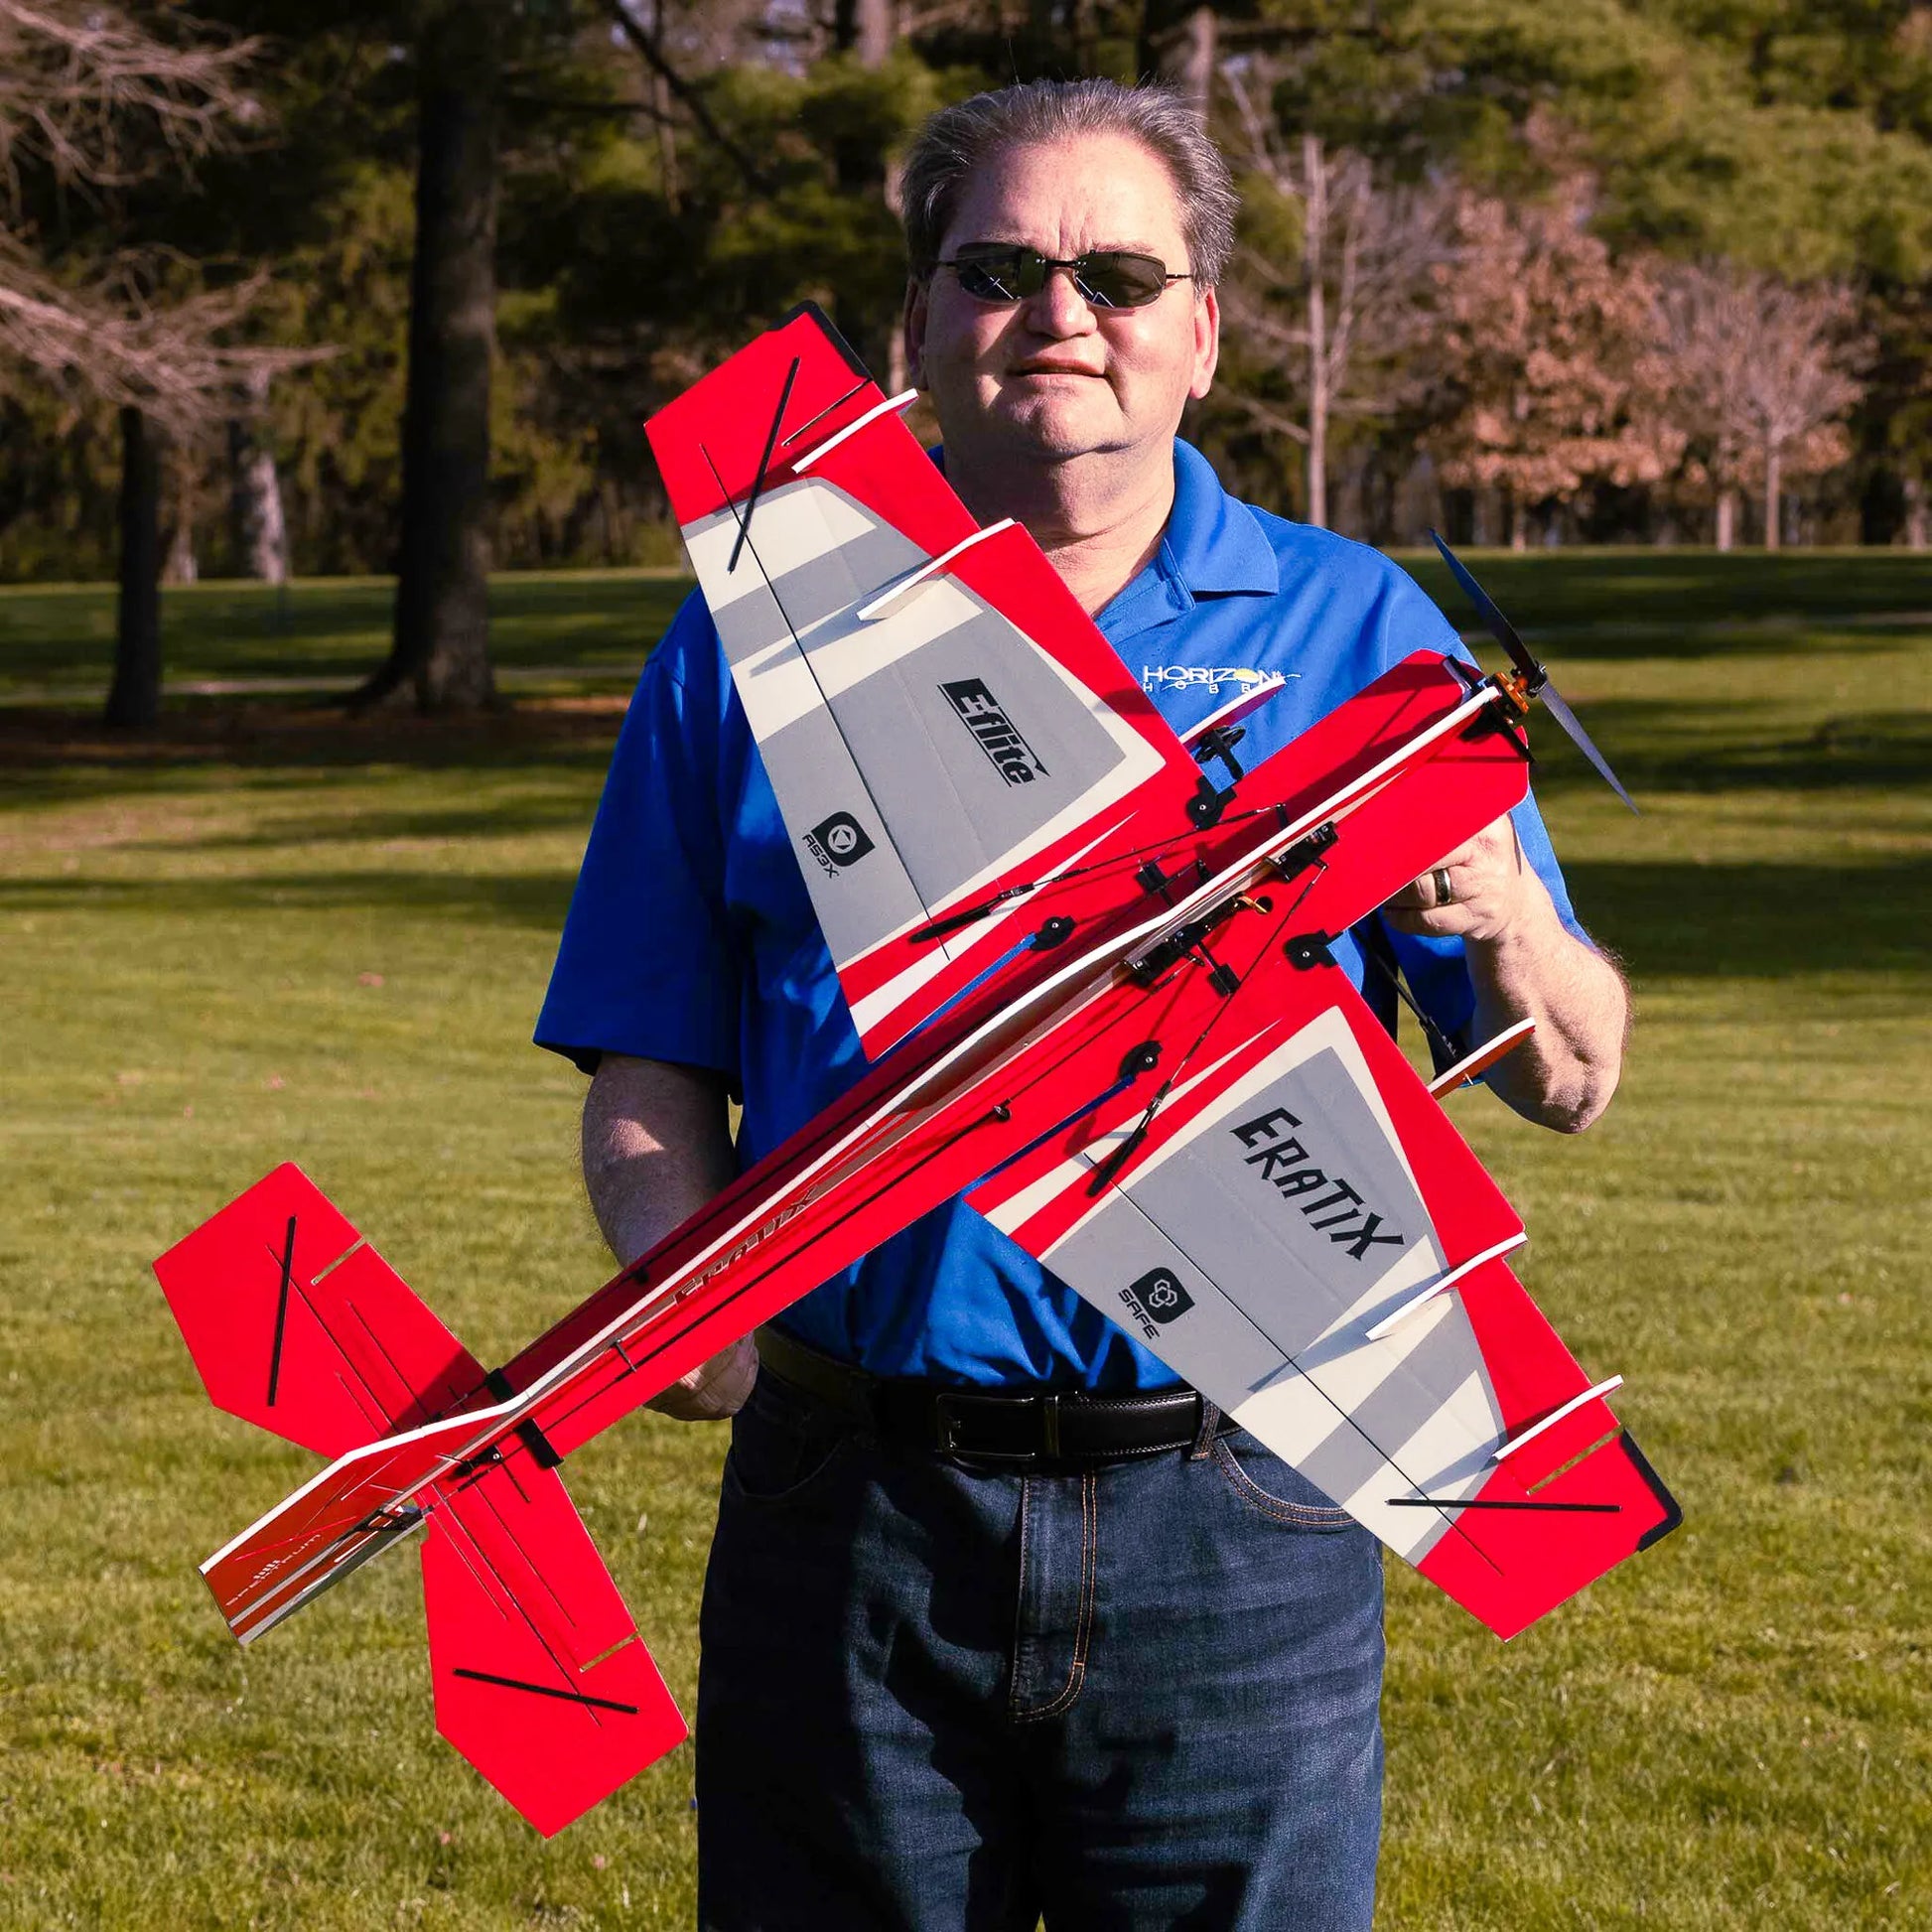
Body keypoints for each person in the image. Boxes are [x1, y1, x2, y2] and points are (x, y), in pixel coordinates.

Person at [536, 77, 1629, 1932]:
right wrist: (680, 1295)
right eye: (998, 271)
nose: (1059, 313)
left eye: (1119, 274)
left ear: (1200, 333)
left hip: (1242, 1505)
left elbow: (1571, 1079)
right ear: (915, 322)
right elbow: (648, 1053)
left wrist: (1506, 913)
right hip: (851, 1500)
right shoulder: (763, 625)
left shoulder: (1360, 628)